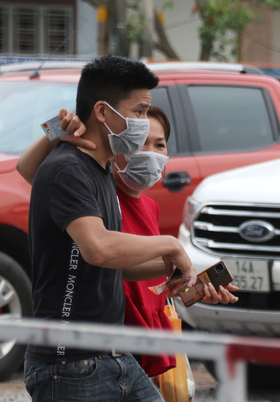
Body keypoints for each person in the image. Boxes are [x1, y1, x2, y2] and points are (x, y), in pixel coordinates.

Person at [22, 55, 197, 402]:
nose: (142, 122)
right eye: (139, 110)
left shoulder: (99, 169)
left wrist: (183, 271)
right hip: (68, 365)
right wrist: (169, 245)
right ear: (103, 112)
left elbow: (116, 263)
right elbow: (98, 248)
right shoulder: (68, 169)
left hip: (116, 358)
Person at [18, 105, 238, 378]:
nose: (150, 153)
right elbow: (27, 170)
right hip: (108, 339)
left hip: (144, 335)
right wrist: (58, 128)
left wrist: (192, 282)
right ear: (116, 146)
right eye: (139, 143)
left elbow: (142, 272)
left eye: (160, 145)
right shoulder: (95, 193)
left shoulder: (150, 206)